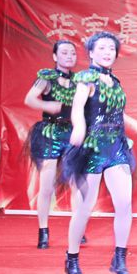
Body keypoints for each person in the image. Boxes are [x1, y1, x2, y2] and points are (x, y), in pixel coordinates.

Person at [62, 32, 137, 274]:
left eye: (111, 48)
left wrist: (136, 124)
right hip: (92, 147)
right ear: (91, 52)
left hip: (117, 147)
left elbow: (118, 114)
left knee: (124, 203)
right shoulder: (86, 79)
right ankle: (72, 258)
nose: (107, 52)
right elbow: (77, 108)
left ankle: (119, 258)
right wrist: (79, 127)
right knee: (84, 207)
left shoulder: (115, 82)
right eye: (101, 48)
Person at [23, 40, 80, 249]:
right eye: (64, 53)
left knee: (76, 184)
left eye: (72, 53)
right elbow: (29, 99)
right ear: (55, 56)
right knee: (47, 186)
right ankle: (43, 231)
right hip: (50, 133)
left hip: (71, 133)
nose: (69, 56)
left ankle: (78, 227)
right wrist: (48, 105)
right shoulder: (46, 78)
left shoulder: (79, 81)